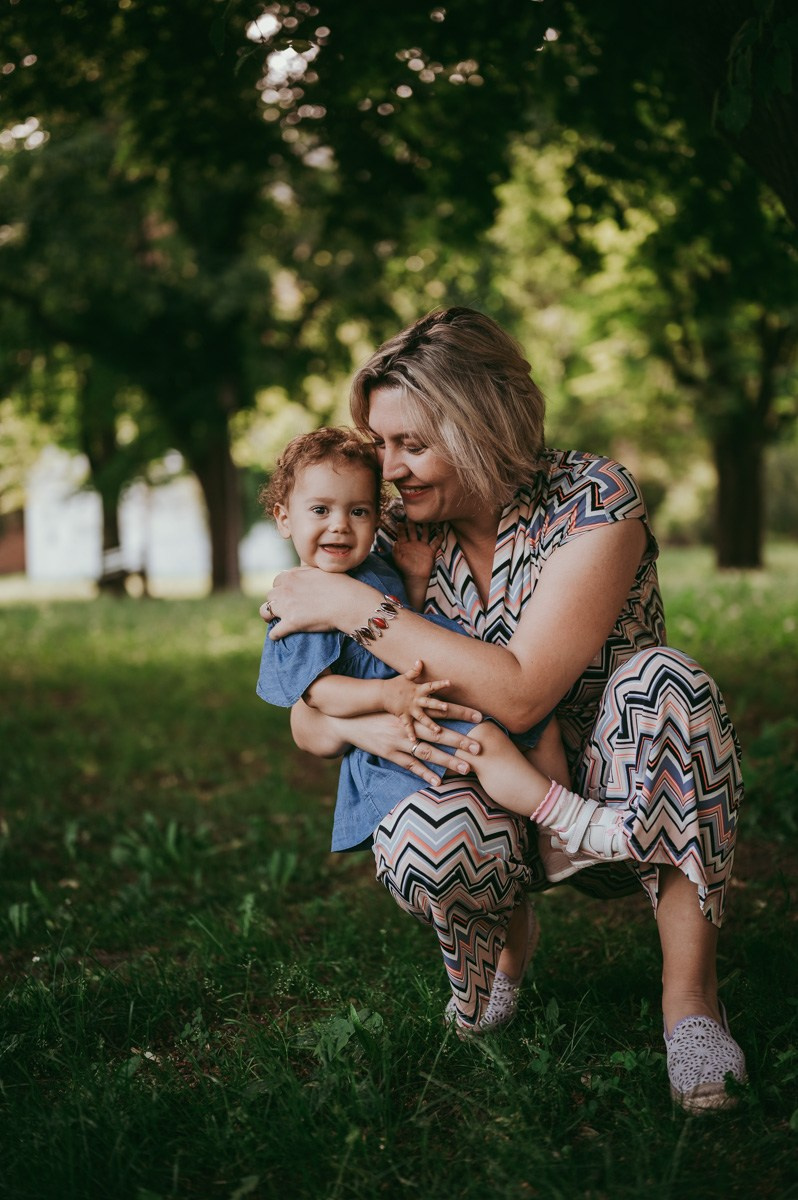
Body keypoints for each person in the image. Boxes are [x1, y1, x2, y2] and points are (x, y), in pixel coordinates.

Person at [261, 308, 746, 1113]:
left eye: (411, 444)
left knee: (667, 682)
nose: (390, 470)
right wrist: (364, 719)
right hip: (481, 782)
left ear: (483, 425)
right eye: (381, 446)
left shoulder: (595, 498)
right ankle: (497, 963)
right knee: (424, 837)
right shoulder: (384, 530)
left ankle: (691, 1005)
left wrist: (357, 610)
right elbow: (304, 716)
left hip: (619, 791)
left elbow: (525, 688)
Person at [256, 429, 570, 1025]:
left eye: (359, 511)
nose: (340, 527)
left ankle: (556, 835)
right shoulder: (297, 603)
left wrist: (416, 579)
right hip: (395, 761)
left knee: (532, 730)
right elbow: (317, 694)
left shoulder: (377, 571)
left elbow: (409, 628)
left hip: (432, 713)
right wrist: (385, 697)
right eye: (319, 510)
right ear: (283, 516)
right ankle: (476, 989)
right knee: (451, 852)